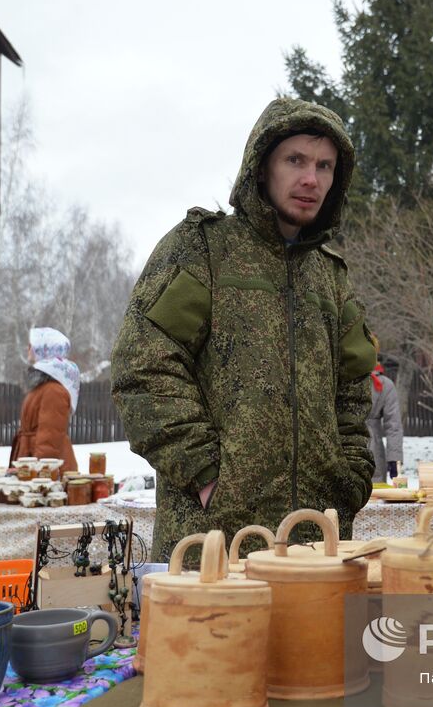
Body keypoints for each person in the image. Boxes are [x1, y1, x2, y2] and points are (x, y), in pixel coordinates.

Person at [111, 98, 377, 560]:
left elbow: (353, 388)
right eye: (295, 160)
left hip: (317, 541)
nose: (311, 179)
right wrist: (209, 475)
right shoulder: (204, 250)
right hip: (213, 544)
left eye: (325, 166)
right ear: (261, 167)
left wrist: (350, 476)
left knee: (316, 636)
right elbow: (143, 368)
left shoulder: (331, 277)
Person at [10, 327, 80, 473]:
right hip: (32, 462)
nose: (28, 348)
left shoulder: (53, 391)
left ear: (44, 349)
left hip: (48, 473)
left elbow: (49, 440)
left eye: (32, 345)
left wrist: (37, 475)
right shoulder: (43, 387)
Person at [366, 351, 404, 483]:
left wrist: (394, 458)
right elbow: (393, 426)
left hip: (370, 449)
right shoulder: (385, 384)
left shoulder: (384, 385)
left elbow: (393, 425)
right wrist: (394, 457)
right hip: (372, 447)